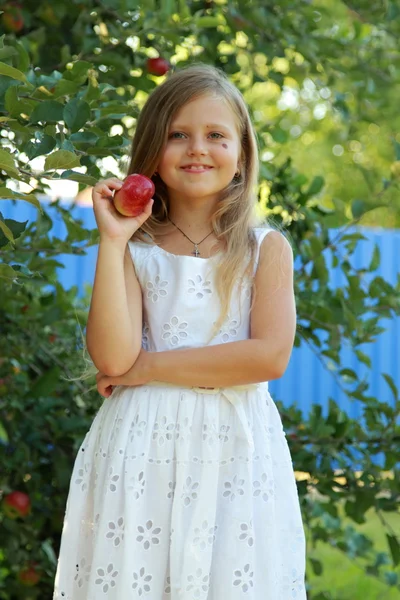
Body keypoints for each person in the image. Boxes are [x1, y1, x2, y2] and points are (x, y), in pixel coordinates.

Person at [53, 63, 306, 599]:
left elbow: (268, 358)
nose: (198, 148)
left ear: (241, 154)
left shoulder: (266, 250)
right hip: (141, 444)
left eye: (216, 135)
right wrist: (113, 240)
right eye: (178, 135)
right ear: (152, 150)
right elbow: (112, 356)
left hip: (236, 446)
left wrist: (148, 367)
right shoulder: (136, 250)